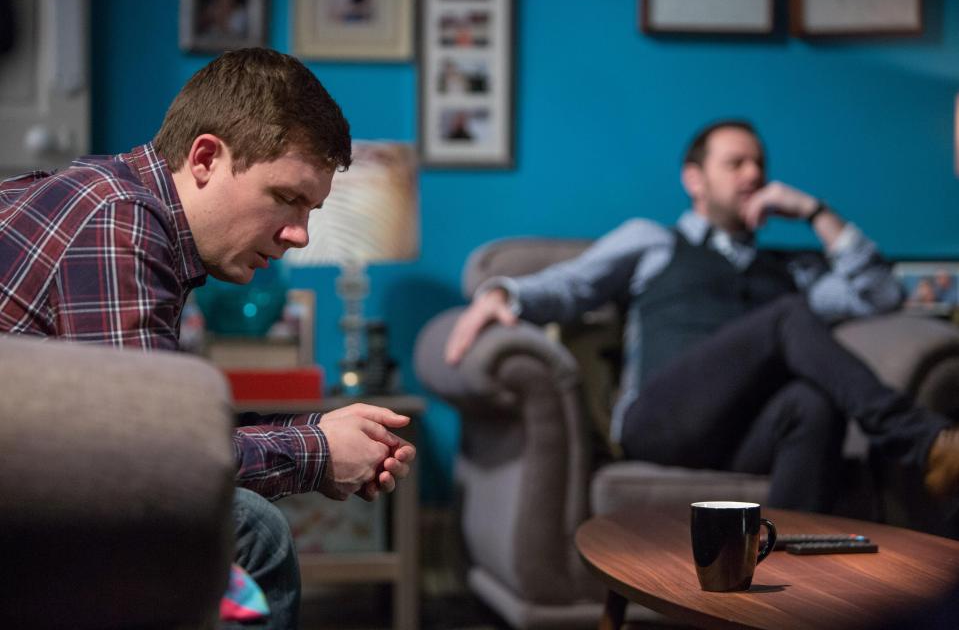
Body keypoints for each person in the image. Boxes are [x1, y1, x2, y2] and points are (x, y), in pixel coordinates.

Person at [0, 48, 415, 629]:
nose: (300, 235)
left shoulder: (113, 197)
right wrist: (316, 451)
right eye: (286, 197)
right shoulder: (119, 221)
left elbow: (147, 429)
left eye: (312, 209)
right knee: (249, 526)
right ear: (205, 159)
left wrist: (313, 434)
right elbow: (150, 463)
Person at [445, 119, 959, 513]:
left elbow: (881, 295)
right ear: (694, 179)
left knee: (811, 403)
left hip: (745, 436)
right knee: (787, 316)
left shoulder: (788, 270)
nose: (754, 174)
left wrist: (814, 211)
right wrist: (501, 294)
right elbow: (572, 285)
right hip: (661, 422)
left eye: (759, 164)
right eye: (735, 163)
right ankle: (922, 440)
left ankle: (781, 592)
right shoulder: (654, 242)